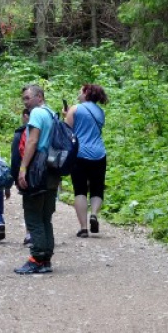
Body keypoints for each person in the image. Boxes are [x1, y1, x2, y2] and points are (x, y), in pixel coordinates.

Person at [15, 84, 58, 274]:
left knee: (33, 215)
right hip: (52, 168)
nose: (25, 102)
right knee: (45, 217)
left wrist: (23, 168)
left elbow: (32, 140)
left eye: (27, 97)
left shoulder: (37, 114)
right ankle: (46, 258)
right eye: (24, 98)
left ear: (39, 97)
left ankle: (37, 258)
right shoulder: (52, 113)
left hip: (38, 168)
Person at [65, 84, 109, 238]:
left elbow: (66, 130)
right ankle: (94, 214)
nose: (78, 92)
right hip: (99, 153)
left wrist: (66, 114)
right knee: (97, 188)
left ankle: (83, 228)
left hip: (80, 153)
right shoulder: (100, 112)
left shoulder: (75, 109)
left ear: (86, 93)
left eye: (80, 90)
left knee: (80, 190)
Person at [10, 108, 31, 245]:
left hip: (27, 173)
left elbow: (15, 157)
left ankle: (30, 233)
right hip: (45, 173)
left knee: (29, 204)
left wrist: (15, 176)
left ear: (25, 116)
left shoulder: (20, 134)